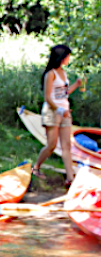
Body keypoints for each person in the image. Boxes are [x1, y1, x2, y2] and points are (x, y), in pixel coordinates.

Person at [32, 44, 83, 188]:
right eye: (67, 56)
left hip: (65, 112)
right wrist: (59, 110)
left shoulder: (63, 73)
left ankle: (70, 178)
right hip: (52, 112)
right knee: (52, 145)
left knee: (67, 146)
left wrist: (76, 85)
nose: (69, 59)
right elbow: (48, 97)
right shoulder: (51, 74)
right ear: (61, 57)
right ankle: (36, 167)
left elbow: (63, 93)